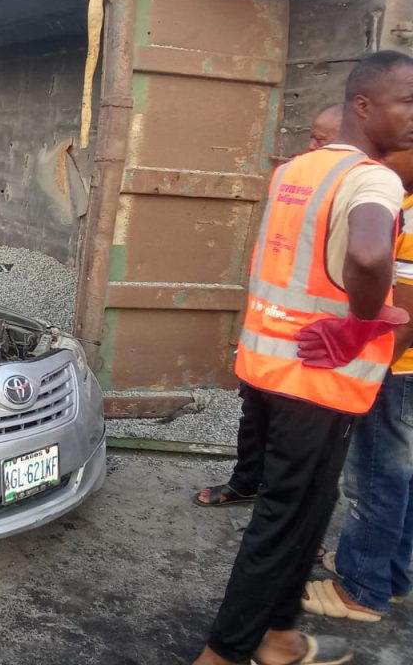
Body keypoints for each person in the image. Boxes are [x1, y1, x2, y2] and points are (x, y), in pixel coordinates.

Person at [192, 51, 413, 665]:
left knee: (304, 513)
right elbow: (369, 258)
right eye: (409, 102)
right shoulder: (374, 178)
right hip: (318, 380)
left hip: (270, 365)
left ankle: (280, 637)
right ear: (365, 106)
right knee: (286, 523)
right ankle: (222, 654)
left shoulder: (297, 169)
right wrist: (360, 326)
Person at [195, 104, 345, 509]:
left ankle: (290, 522)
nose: (312, 149)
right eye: (312, 138)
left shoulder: (355, 197)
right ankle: (246, 484)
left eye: (323, 142)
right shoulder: (292, 183)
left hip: (311, 349)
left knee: (297, 444)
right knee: (254, 417)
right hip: (268, 335)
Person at [304, 148, 413, 623]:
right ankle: (390, 575)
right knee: (402, 478)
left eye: (392, 149)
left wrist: (370, 371)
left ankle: (361, 588)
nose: (381, 155)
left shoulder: (406, 210)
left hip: (398, 368)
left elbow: (407, 309)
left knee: (375, 478)